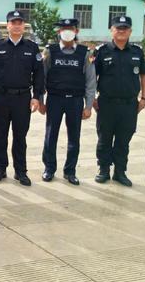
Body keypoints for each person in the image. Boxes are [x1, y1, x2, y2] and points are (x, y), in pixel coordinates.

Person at [93, 15, 145, 186]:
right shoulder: (102, 51)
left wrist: (144, 98)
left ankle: (120, 172)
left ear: (130, 31)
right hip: (106, 103)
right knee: (104, 139)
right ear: (112, 30)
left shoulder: (137, 52)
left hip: (129, 105)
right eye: (118, 28)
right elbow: (92, 76)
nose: (121, 31)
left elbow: (144, 75)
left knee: (123, 140)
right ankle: (103, 170)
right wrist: (92, 98)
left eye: (125, 28)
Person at [0, 10, 44, 186]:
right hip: (2, 96)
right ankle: (0, 168)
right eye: (13, 22)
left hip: (23, 98)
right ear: (8, 26)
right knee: (0, 135)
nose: (17, 26)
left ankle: (21, 171)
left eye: (20, 23)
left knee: (20, 136)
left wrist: (36, 97)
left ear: (24, 26)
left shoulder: (32, 48)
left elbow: (39, 74)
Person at [39, 18, 96, 185]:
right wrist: (41, 100)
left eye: (70, 28)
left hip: (75, 101)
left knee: (74, 137)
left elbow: (90, 81)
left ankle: (70, 171)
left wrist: (88, 106)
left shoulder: (85, 53)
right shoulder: (50, 51)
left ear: (76, 31)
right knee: (51, 136)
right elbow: (42, 77)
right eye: (64, 29)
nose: (67, 31)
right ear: (59, 32)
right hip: (54, 99)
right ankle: (49, 169)